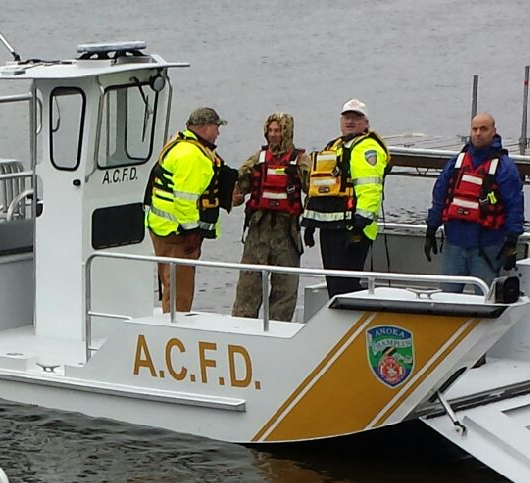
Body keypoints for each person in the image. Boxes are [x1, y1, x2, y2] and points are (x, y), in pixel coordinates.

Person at [425, 112, 525, 293]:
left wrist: (511, 242)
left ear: (493, 132)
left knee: (485, 297)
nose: (478, 133)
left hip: (487, 247)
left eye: (483, 129)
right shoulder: (457, 162)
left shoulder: (504, 167)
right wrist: (431, 228)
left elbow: (515, 205)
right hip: (454, 244)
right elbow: (440, 195)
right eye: (475, 129)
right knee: (447, 299)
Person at [300, 99, 390, 296]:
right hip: (331, 227)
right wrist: (310, 222)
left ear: (365, 123)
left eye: (356, 118)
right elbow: (320, 187)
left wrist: (360, 222)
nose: (350, 121)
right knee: (334, 285)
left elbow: (370, 186)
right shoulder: (334, 146)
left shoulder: (367, 148)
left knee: (345, 286)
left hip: (353, 229)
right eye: (346, 117)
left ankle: (352, 323)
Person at [144, 107, 230, 313]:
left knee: (169, 282)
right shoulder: (193, 155)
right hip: (177, 233)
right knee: (179, 290)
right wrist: (192, 231)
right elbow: (185, 200)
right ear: (204, 127)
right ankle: (176, 330)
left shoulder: (178, 143)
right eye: (216, 127)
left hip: (161, 226)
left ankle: (170, 319)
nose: (218, 132)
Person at [232, 113, 306, 320]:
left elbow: (314, 190)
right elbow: (240, 187)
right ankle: (241, 327)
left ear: (287, 132)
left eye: (278, 131)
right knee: (248, 286)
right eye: (270, 131)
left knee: (285, 289)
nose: (273, 135)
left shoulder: (301, 161)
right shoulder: (257, 158)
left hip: (287, 231)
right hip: (258, 230)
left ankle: (280, 330)